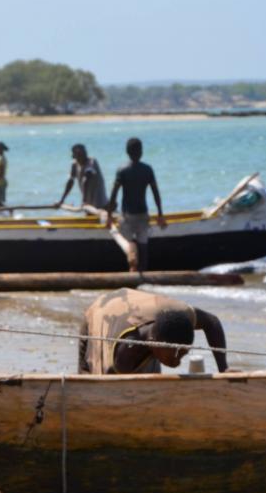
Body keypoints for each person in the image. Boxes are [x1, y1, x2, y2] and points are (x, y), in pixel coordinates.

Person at [79, 287, 229, 374]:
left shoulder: (181, 314)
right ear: (153, 342)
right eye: (175, 356)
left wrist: (224, 370)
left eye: (183, 354)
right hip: (99, 311)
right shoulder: (122, 358)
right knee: (87, 380)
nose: (178, 363)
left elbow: (212, 322)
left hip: (130, 302)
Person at [106, 137, 166, 272]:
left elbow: (113, 195)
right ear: (141, 152)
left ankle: (132, 267)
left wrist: (109, 216)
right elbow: (156, 193)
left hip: (127, 216)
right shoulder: (147, 169)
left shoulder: (122, 170)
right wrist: (160, 214)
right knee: (143, 247)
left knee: (129, 246)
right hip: (143, 214)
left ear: (127, 152)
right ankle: (142, 274)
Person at [56, 143, 107, 210]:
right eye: (79, 154)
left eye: (83, 153)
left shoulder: (91, 162)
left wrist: (84, 201)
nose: (82, 156)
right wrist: (62, 200)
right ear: (73, 156)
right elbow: (70, 182)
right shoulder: (74, 165)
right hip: (88, 203)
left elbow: (86, 180)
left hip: (100, 203)